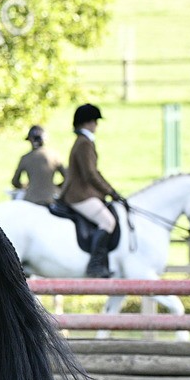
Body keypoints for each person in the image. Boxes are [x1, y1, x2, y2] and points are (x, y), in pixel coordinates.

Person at [60, 103, 124, 278]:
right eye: (95, 121)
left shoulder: (83, 141)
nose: (97, 125)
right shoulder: (84, 143)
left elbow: (94, 172)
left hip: (82, 192)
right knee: (108, 222)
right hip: (79, 195)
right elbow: (90, 174)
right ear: (87, 123)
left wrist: (110, 190)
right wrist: (111, 192)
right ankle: (95, 265)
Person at [11, 125, 66, 206]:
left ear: (30, 140)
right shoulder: (54, 156)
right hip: (51, 199)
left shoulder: (25, 158)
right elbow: (67, 177)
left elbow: (15, 182)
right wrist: (56, 186)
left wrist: (25, 186)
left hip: (31, 199)